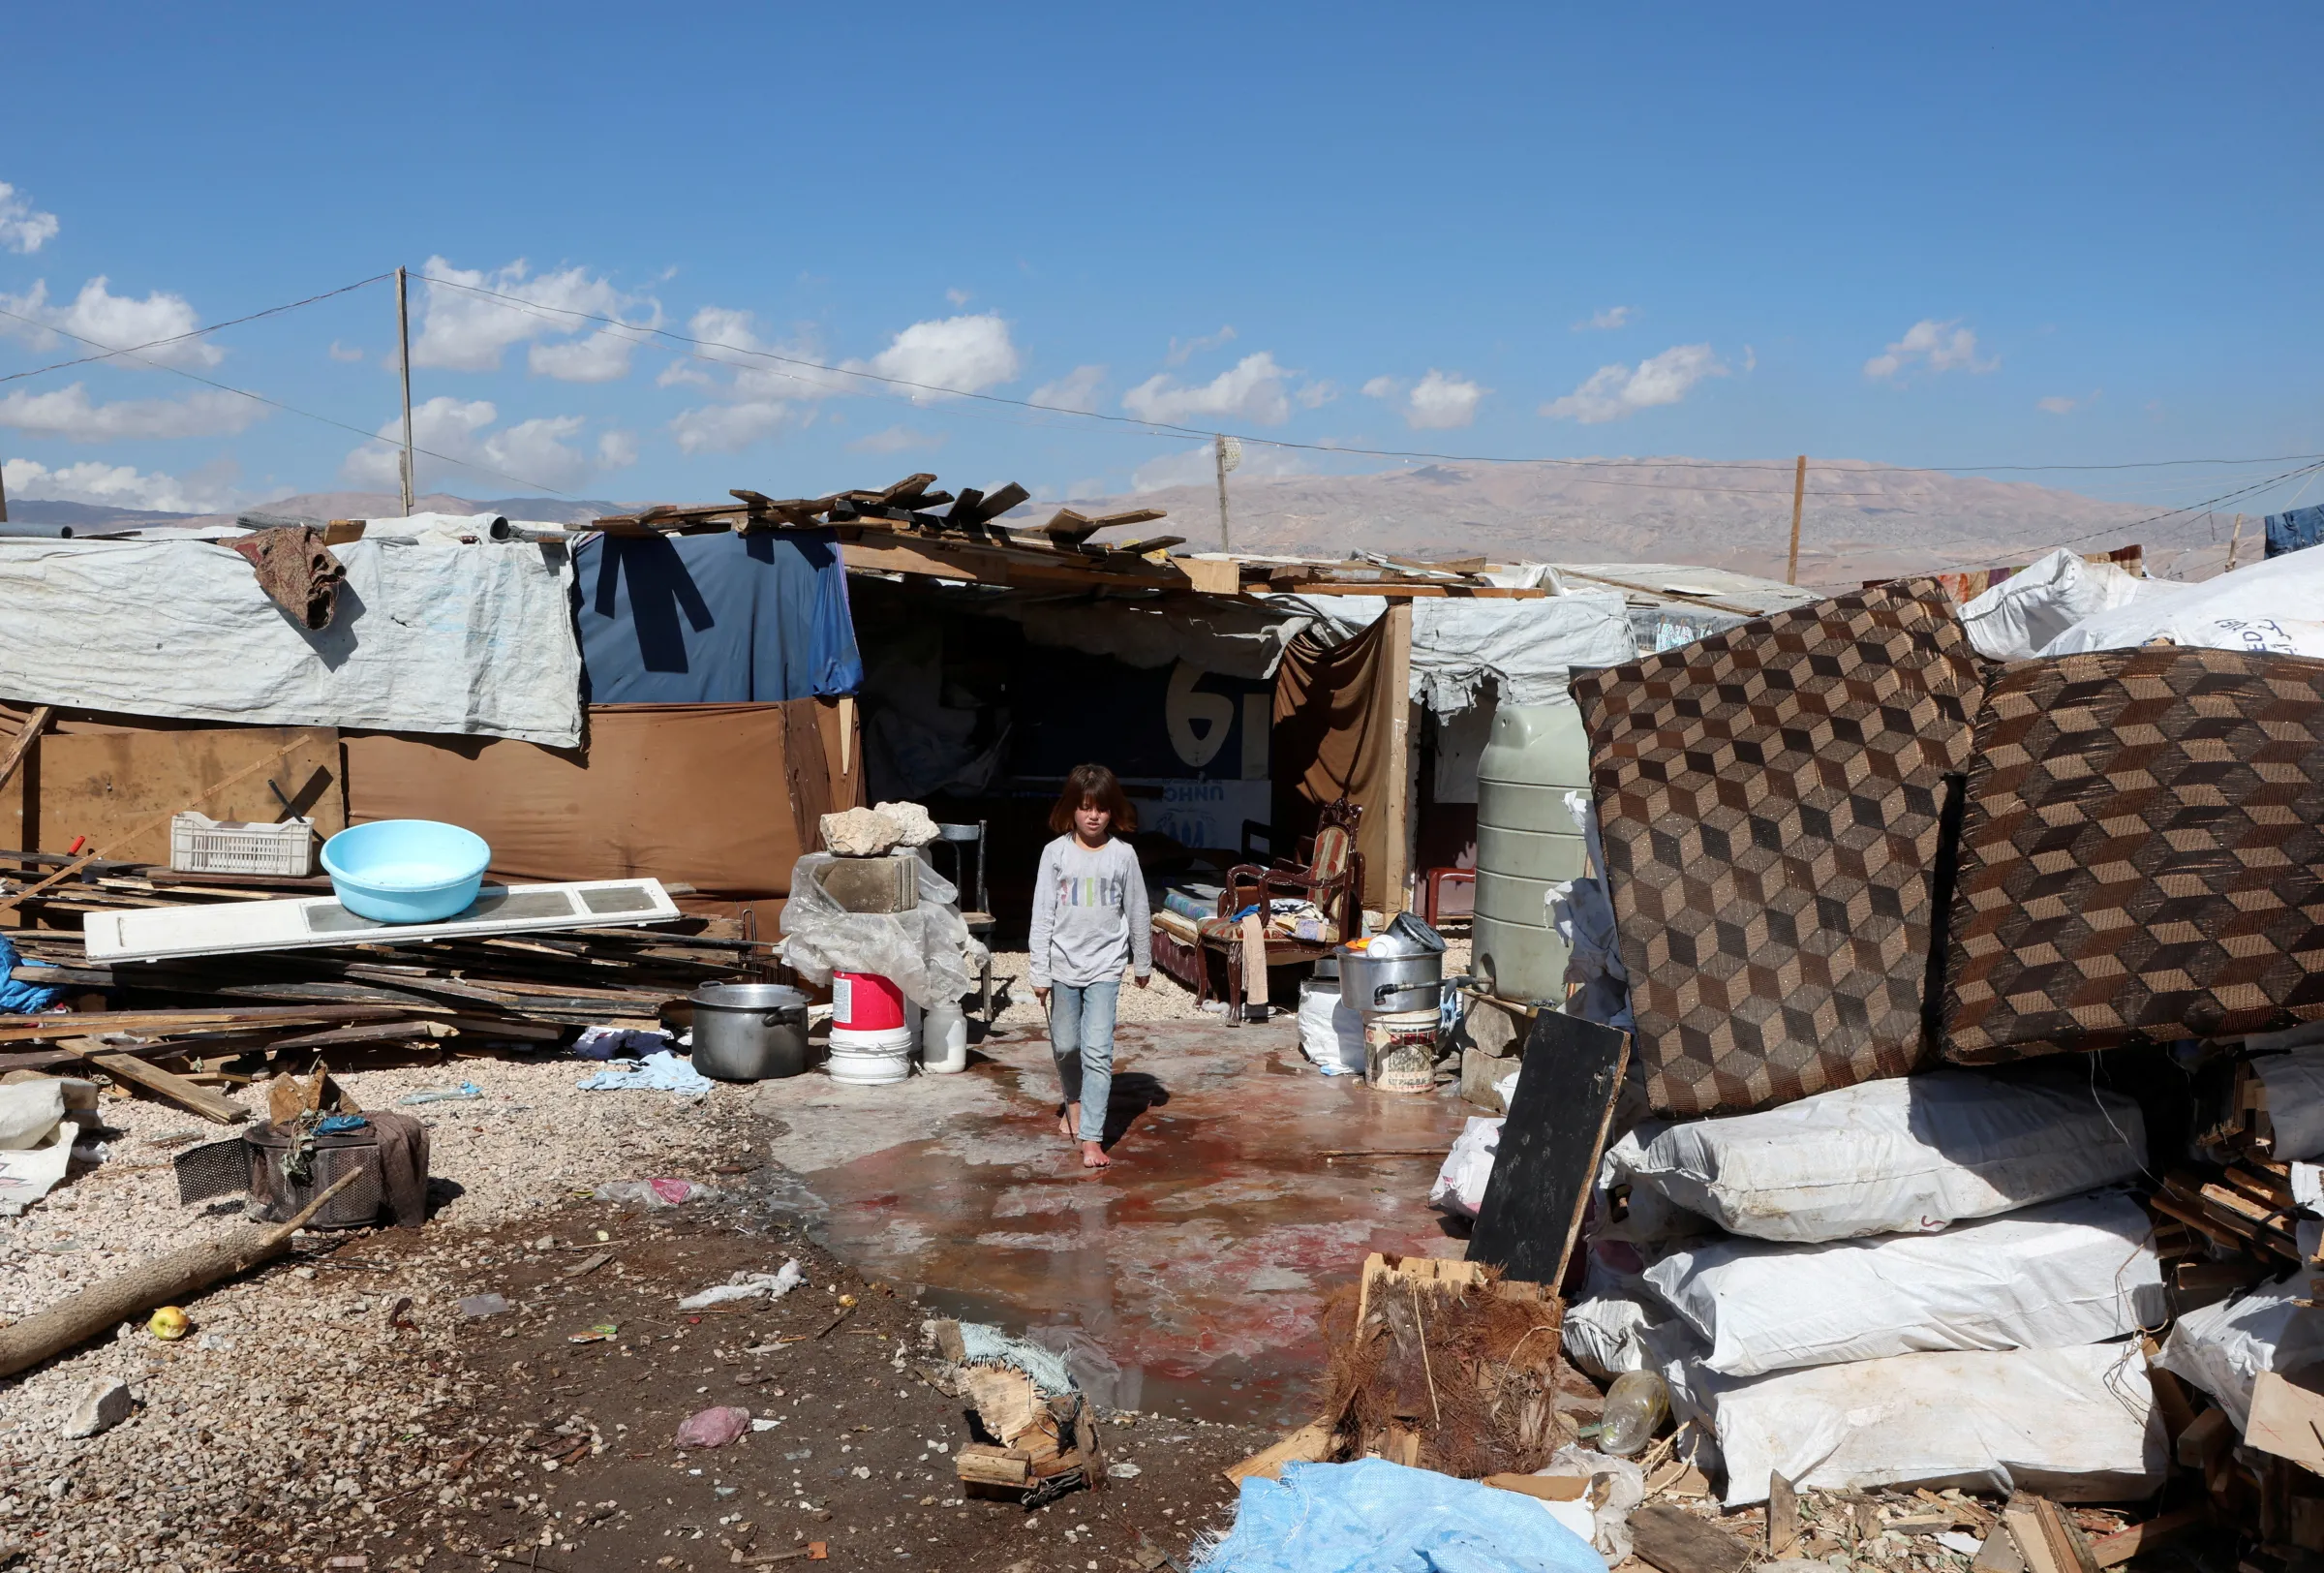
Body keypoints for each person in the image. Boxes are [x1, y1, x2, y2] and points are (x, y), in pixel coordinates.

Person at [1026, 762, 1151, 1169]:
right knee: (1066, 1044)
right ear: (1071, 810)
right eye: (1084, 807)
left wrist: (1142, 961)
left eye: (1100, 808)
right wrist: (1039, 971)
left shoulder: (1123, 855)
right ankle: (1074, 1101)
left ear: (1113, 811)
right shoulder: (1055, 853)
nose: (1093, 816)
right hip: (1063, 965)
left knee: (1097, 1051)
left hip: (1105, 967)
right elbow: (1042, 914)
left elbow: (1137, 910)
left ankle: (1092, 1139)